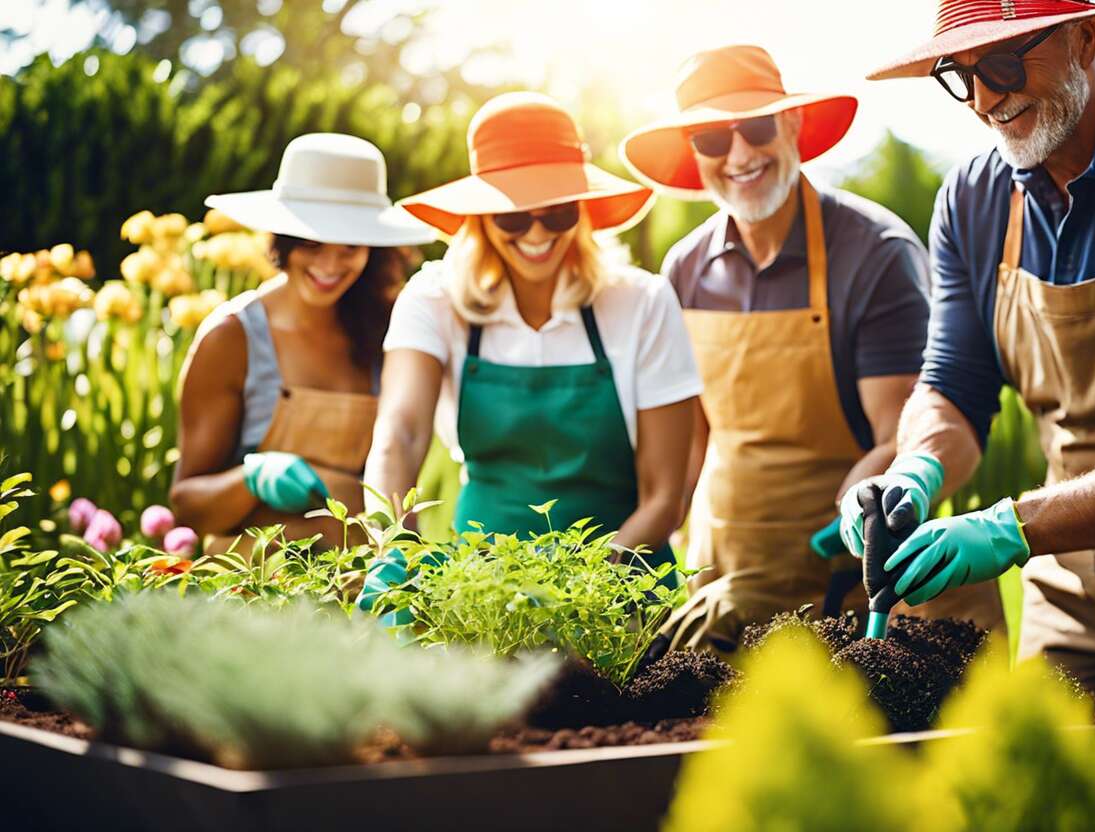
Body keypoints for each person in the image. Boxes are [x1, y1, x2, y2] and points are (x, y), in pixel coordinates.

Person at [846, 0, 1095, 693]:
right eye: (959, 75)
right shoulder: (972, 200)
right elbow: (952, 388)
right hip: (1066, 592)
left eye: (1004, 63)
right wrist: (915, 472)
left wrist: (1008, 529)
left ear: (1083, 40)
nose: (984, 99)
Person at [620, 45, 1004, 656]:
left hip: (851, 579)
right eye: (714, 140)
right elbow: (694, 439)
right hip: (729, 576)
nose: (740, 155)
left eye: (755, 127)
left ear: (792, 122)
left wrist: (829, 537)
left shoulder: (874, 254)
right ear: (695, 155)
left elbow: (900, 438)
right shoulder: (686, 268)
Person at [359, 93, 702, 604]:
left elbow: (664, 498)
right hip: (483, 589)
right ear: (479, 217)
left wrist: (579, 594)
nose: (538, 234)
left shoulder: (641, 303)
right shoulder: (433, 300)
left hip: (623, 588)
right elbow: (400, 436)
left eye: (559, 214)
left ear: (583, 212)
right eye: (513, 219)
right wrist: (393, 547)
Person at [171, 133, 435, 554]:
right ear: (283, 238)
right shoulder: (232, 337)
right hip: (257, 586)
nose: (330, 265)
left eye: (350, 246)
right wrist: (254, 479)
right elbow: (187, 505)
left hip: (365, 577)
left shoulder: (390, 327)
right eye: (312, 244)